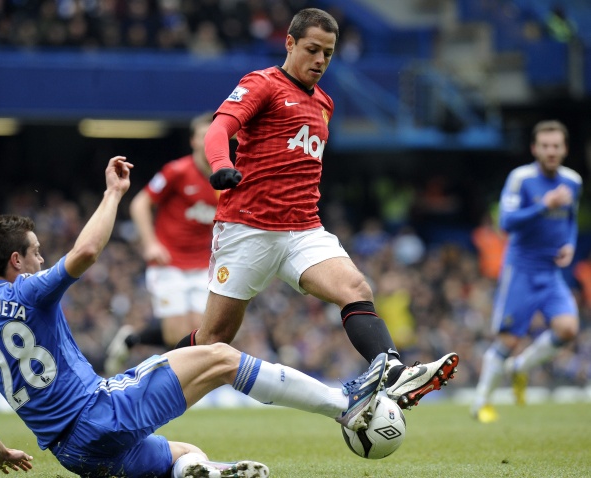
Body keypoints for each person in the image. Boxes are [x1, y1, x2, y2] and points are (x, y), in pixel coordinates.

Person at [0, 156, 393, 478]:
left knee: (185, 454)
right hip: (101, 412)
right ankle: (344, 406)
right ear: (16, 260)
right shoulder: (27, 290)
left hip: (73, 455)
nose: (41, 260)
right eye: (36, 252)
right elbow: (86, 251)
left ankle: (203, 472)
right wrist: (113, 193)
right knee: (220, 356)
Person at [174, 7, 459, 410]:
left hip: (303, 230)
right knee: (213, 339)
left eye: (328, 53)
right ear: (289, 43)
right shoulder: (262, 83)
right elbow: (220, 127)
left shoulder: (324, 102)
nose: (321, 60)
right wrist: (221, 164)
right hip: (248, 227)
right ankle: (144, 387)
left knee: (355, 288)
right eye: (312, 49)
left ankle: (394, 373)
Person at [471, 120, 582, 423]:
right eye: (545, 146)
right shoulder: (521, 179)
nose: (551, 151)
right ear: (534, 148)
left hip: (550, 272)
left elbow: (570, 220)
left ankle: (521, 367)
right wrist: (543, 205)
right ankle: (481, 402)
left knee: (568, 329)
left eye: (556, 146)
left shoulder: (572, 181)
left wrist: (570, 244)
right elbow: (506, 223)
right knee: (507, 341)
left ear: (565, 149)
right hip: (520, 270)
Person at [105, 112, 218, 375]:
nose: (209, 141)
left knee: (201, 336)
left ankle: (133, 340)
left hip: (203, 265)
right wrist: (150, 243)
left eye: (214, 136)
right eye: (204, 136)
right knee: (177, 334)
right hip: (169, 262)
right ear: (193, 141)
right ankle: (156, 376)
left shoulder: (225, 177)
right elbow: (140, 203)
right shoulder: (177, 171)